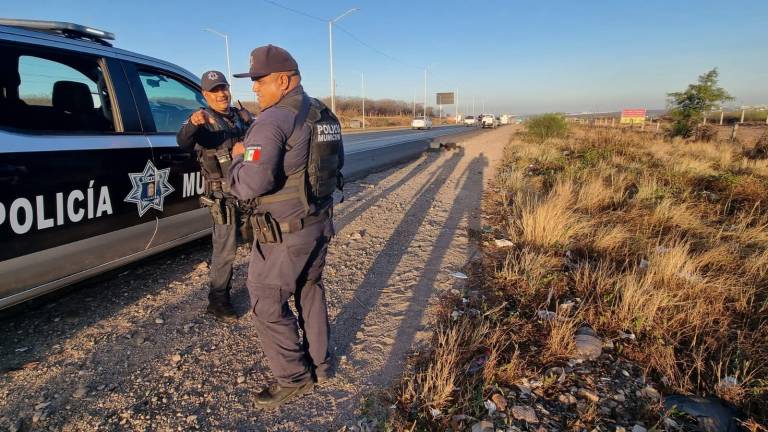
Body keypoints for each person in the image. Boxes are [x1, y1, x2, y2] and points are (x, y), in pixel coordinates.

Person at [229, 44, 344, 408]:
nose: (255, 88)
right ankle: (321, 365)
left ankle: (293, 377)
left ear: (283, 79)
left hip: (285, 232)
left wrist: (235, 162)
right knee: (309, 289)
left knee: (265, 301)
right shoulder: (322, 113)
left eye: (259, 81)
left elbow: (250, 183)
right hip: (318, 221)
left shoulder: (274, 119)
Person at [177, 70, 253, 322]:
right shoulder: (202, 121)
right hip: (224, 196)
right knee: (226, 250)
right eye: (214, 90)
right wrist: (193, 124)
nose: (221, 94)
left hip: (249, 191)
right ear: (205, 94)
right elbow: (184, 141)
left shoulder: (241, 116)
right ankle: (218, 300)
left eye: (224, 88)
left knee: (261, 240)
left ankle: (265, 288)